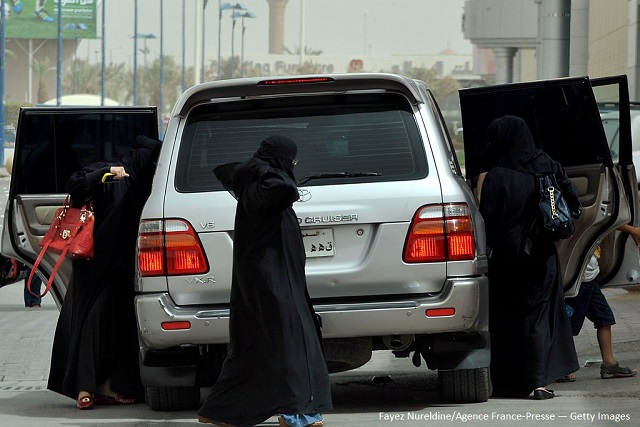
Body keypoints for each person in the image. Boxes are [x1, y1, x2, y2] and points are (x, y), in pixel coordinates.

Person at [198, 135, 332, 427]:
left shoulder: (255, 186)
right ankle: (296, 412)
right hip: (271, 279)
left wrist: (260, 169)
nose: (293, 167)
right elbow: (286, 189)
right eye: (291, 161)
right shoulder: (263, 185)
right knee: (289, 341)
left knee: (260, 346)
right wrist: (263, 169)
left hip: (273, 277)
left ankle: (223, 410)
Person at [47, 135, 162, 410]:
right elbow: (75, 186)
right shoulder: (112, 173)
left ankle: (111, 387)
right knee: (92, 319)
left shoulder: (150, 187)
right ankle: (84, 387)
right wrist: (104, 173)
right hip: (95, 266)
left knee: (121, 326)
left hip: (125, 267)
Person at [478, 115, 581, 400]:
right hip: (542, 255)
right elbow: (573, 204)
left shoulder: (496, 175)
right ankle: (538, 382)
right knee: (538, 317)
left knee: (507, 317)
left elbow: (488, 220)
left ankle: (507, 381)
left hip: (506, 258)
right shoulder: (548, 166)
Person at [560, 225, 640, 382]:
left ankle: (609, 364)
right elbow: (609, 221)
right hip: (582, 276)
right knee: (568, 325)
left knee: (604, 317)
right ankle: (561, 366)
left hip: (590, 273)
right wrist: (633, 230)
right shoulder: (584, 208)